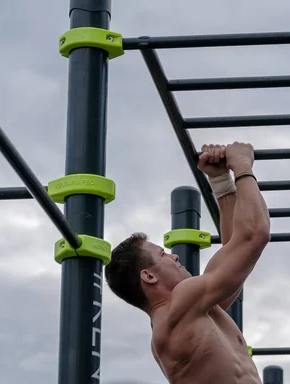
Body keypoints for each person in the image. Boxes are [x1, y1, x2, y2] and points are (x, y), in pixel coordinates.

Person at [105, 142, 271, 383]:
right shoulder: (179, 310)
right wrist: (243, 166)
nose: (175, 256)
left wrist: (222, 184)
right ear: (148, 276)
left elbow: (234, 249)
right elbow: (255, 235)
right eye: (163, 254)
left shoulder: (195, 311)